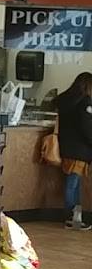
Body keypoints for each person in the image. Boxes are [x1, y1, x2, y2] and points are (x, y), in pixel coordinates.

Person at [56, 72, 92, 229]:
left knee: (73, 182)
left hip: (66, 147)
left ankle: (75, 216)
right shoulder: (85, 102)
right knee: (73, 183)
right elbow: (86, 127)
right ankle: (72, 217)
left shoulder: (65, 100)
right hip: (80, 149)